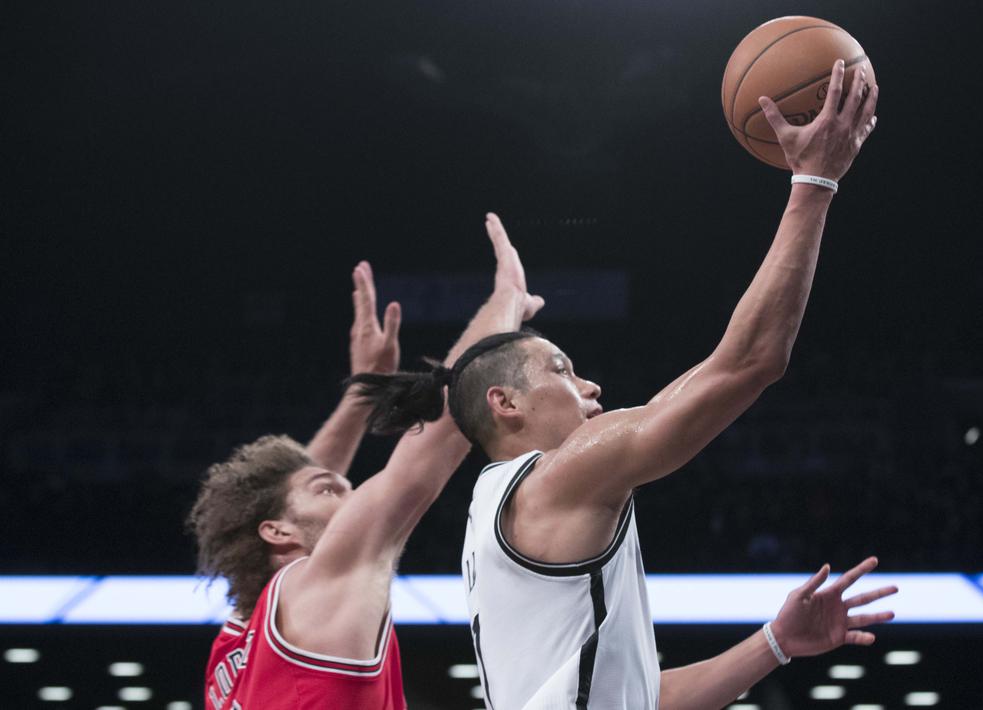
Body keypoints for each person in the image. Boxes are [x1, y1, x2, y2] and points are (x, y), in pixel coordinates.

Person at [353, 62, 895, 709]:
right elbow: (749, 363)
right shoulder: (555, 479)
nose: (589, 384)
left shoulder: (505, 508)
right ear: (507, 405)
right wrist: (814, 183)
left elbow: (638, 699)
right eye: (560, 368)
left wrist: (774, 644)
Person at [187, 215, 543, 710]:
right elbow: (436, 438)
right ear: (277, 533)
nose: (355, 495)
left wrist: (360, 397)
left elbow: (293, 482)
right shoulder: (313, 587)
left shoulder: (236, 643)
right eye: (333, 491)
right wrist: (506, 302)